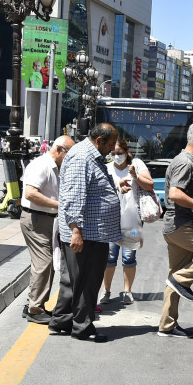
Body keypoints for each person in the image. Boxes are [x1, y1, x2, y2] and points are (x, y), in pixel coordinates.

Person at [48, 123, 123, 342]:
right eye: (110, 144)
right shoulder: (82, 158)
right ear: (99, 141)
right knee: (87, 281)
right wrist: (76, 231)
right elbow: (73, 196)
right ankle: (83, 328)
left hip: (91, 232)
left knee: (74, 279)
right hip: (86, 233)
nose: (112, 149)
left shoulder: (91, 156)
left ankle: (62, 320)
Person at [158, 121, 193, 338]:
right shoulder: (185, 163)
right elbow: (174, 194)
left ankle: (167, 325)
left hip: (176, 228)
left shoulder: (186, 161)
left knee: (175, 275)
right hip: (182, 227)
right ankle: (181, 281)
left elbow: (188, 190)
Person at [19, 134, 74, 324]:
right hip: (36, 219)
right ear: (59, 149)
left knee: (47, 264)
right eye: (69, 153)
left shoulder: (58, 167)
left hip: (48, 219)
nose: (71, 157)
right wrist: (58, 204)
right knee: (44, 263)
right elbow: (31, 193)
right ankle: (35, 308)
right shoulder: (41, 165)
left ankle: (34, 304)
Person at [102, 138, 154, 305]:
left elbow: (150, 185)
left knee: (128, 255)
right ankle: (106, 291)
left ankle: (127, 291)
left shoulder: (137, 165)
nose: (117, 156)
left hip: (132, 219)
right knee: (110, 256)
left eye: (120, 153)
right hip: (111, 219)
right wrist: (117, 185)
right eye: (114, 154)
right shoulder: (107, 168)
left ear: (127, 153)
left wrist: (135, 176)